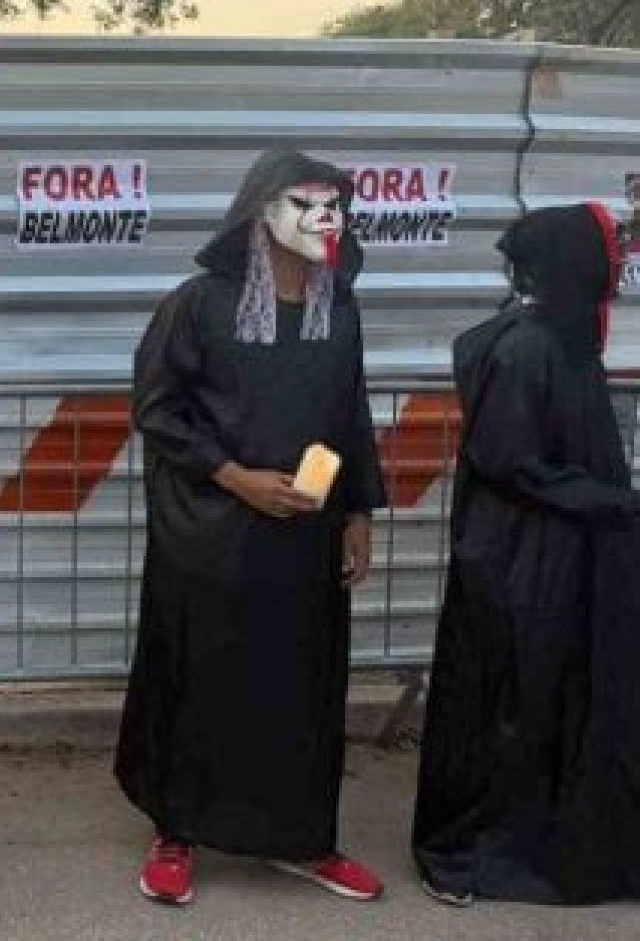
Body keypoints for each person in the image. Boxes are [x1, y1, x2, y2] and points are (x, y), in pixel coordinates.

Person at [116, 147, 386, 907]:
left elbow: (349, 413)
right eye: (307, 202)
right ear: (262, 211)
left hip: (304, 536)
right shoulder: (200, 303)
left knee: (302, 686)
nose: (325, 217)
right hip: (211, 534)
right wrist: (235, 477)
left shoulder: (343, 308)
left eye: (336, 204)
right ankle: (176, 831)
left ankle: (305, 838)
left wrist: (358, 510)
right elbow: (156, 407)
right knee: (199, 680)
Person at [413, 203, 640, 907]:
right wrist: (613, 502)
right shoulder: (525, 348)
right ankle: (485, 849)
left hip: (559, 556)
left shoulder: (563, 339)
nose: (622, 267)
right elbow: (514, 463)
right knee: (512, 701)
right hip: (519, 562)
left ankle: (560, 835)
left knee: (558, 697)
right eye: (612, 253)